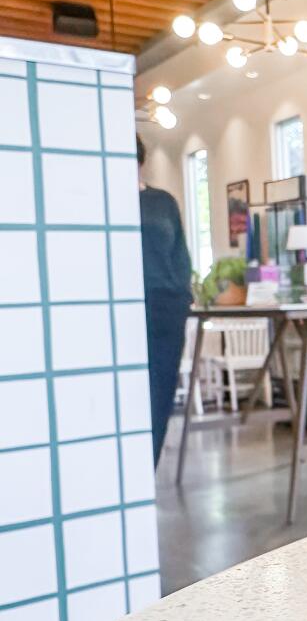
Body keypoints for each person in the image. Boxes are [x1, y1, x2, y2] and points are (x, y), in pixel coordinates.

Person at [137, 135, 193, 467]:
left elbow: (180, 254)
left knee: (160, 393)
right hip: (122, 309)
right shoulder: (102, 200)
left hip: (165, 309)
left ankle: (149, 470)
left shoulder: (162, 202)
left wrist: (182, 296)